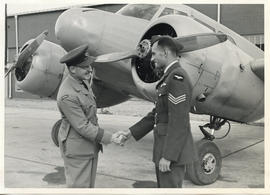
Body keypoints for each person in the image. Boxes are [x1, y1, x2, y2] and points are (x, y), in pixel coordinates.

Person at [117, 35, 198, 188]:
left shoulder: (176, 77)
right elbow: (157, 114)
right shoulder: (169, 77)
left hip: (172, 155)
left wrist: (168, 156)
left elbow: (179, 121)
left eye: (154, 54)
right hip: (165, 150)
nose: (151, 58)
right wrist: (130, 132)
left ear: (165, 53)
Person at [57, 44, 123, 188]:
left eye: (89, 65)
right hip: (78, 152)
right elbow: (83, 126)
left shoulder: (81, 82)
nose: (90, 69)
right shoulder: (67, 95)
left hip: (89, 147)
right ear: (73, 69)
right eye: (84, 66)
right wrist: (110, 137)